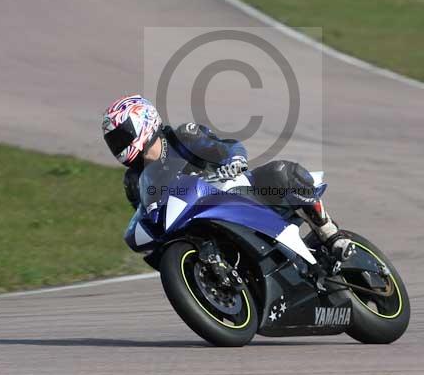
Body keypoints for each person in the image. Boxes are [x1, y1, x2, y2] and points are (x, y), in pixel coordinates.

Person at [100, 94, 355, 263]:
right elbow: (146, 214)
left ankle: (329, 234)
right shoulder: (133, 180)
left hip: (230, 191)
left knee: (280, 173)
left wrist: (233, 162)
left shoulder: (182, 136)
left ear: (144, 122)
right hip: (190, 223)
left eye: (122, 136)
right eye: (114, 142)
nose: (119, 146)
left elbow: (227, 146)